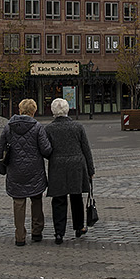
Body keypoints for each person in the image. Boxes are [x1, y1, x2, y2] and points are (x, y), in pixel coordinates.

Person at [0, 99, 52, 246]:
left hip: (15, 170)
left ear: (20, 110)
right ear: (33, 111)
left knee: (18, 202)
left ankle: (20, 236)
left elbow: (1, 149)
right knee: (36, 200)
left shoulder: (8, 127)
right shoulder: (37, 127)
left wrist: (2, 169)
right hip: (34, 170)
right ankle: (37, 231)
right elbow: (46, 150)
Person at [44, 98, 95, 243]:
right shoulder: (77, 127)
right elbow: (86, 149)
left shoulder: (48, 129)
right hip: (76, 165)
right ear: (67, 110)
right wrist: (91, 169)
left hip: (57, 165)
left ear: (53, 111)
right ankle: (79, 227)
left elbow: (46, 150)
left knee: (58, 200)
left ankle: (59, 232)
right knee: (76, 197)